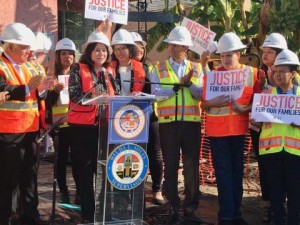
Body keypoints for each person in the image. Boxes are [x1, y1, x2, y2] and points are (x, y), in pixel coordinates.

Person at [201, 32, 263, 225]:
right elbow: (203, 104)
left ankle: (235, 212)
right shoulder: (213, 75)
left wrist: (243, 108)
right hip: (217, 132)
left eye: (230, 54)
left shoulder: (252, 74)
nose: (226, 59)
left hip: (238, 131)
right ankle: (226, 214)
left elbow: (260, 102)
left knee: (236, 171)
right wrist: (213, 102)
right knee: (223, 172)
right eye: (223, 55)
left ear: (238, 54)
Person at [0, 22, 53, 225]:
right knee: (8, 181)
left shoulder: (31, 66)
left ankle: (31, 217)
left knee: (29, 178)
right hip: (8, 133)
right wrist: (30, 88)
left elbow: (37, 95)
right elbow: (4, 89)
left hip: (31, 131)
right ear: (10, 46)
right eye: (24, 47)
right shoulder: (1, 65)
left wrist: (43, 89)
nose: (28, 51)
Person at [151, 26, 203, 221]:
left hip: (191, 124)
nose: (172, 48)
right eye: (171, 44)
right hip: (168, 124)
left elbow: (201, 94)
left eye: (177, 45)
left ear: (186, 48)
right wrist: (175, 88)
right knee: (170, 164)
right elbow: (155, 95)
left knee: (191, 166)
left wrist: (189, 84)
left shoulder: (197, 68)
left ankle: (191, 206)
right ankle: (173, 204)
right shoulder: (158, 68)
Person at [68, 31, 116, 222]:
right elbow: (74, 94)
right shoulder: (77, 68)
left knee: (104, 171)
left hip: (105, 128)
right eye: (97, 50)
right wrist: (96, 99)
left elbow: (117, 93)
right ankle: (88, 214)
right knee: (86, 172)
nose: (101, 54)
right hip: (82, 129)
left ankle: (104, 211)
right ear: (89, 51)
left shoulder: (109, 72)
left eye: (104, 50)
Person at [258, 49, 300, 225]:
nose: (277, 75)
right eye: (275, 71)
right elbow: (258, 123)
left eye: (282, 71)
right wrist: (256, 118)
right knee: (275, 193)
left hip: (295, 152)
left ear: (293, 74)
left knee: (295, 193)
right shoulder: (267, 96)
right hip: (271, 151)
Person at [250, 32, 287, 223]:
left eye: (270, 52)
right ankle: (268, 206)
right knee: (265, 169)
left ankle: (282, 205)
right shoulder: (259, 74)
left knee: (283, 171)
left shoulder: (290, 78)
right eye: (263, 51)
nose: (265, 55)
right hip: (260, 131)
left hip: (283, 135)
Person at [110, 28, 146, 213]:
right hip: (115, 122)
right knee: (119, 161)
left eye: (124, 48)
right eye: (116, 48)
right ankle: (121, 204)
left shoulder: (140, 68)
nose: (120, 51)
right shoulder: (108, 68)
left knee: (135, 160)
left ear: (130, 49)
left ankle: (138, 203)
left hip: (135, 122)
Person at [131, 31, 165, 205]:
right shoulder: (122, 68)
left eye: (141, 46)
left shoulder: (149, 68)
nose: (139, 49)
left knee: (155, 153)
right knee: (135, 154)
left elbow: (155, 91)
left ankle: (157, 190)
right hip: (130, 118)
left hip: (150, 114)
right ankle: (136, 191)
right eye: (135, 45)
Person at [45, 38, 80, 204]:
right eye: (64, 54)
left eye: (70, 54)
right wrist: (54, 92)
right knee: (60, 161)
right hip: (59, 127)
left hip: (77, 125)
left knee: (78, 160)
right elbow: (45, 103)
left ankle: (80, 191)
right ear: (58, 56)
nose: (67, 57)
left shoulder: (79, 75)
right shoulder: (51, 77)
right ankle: (63, 191)